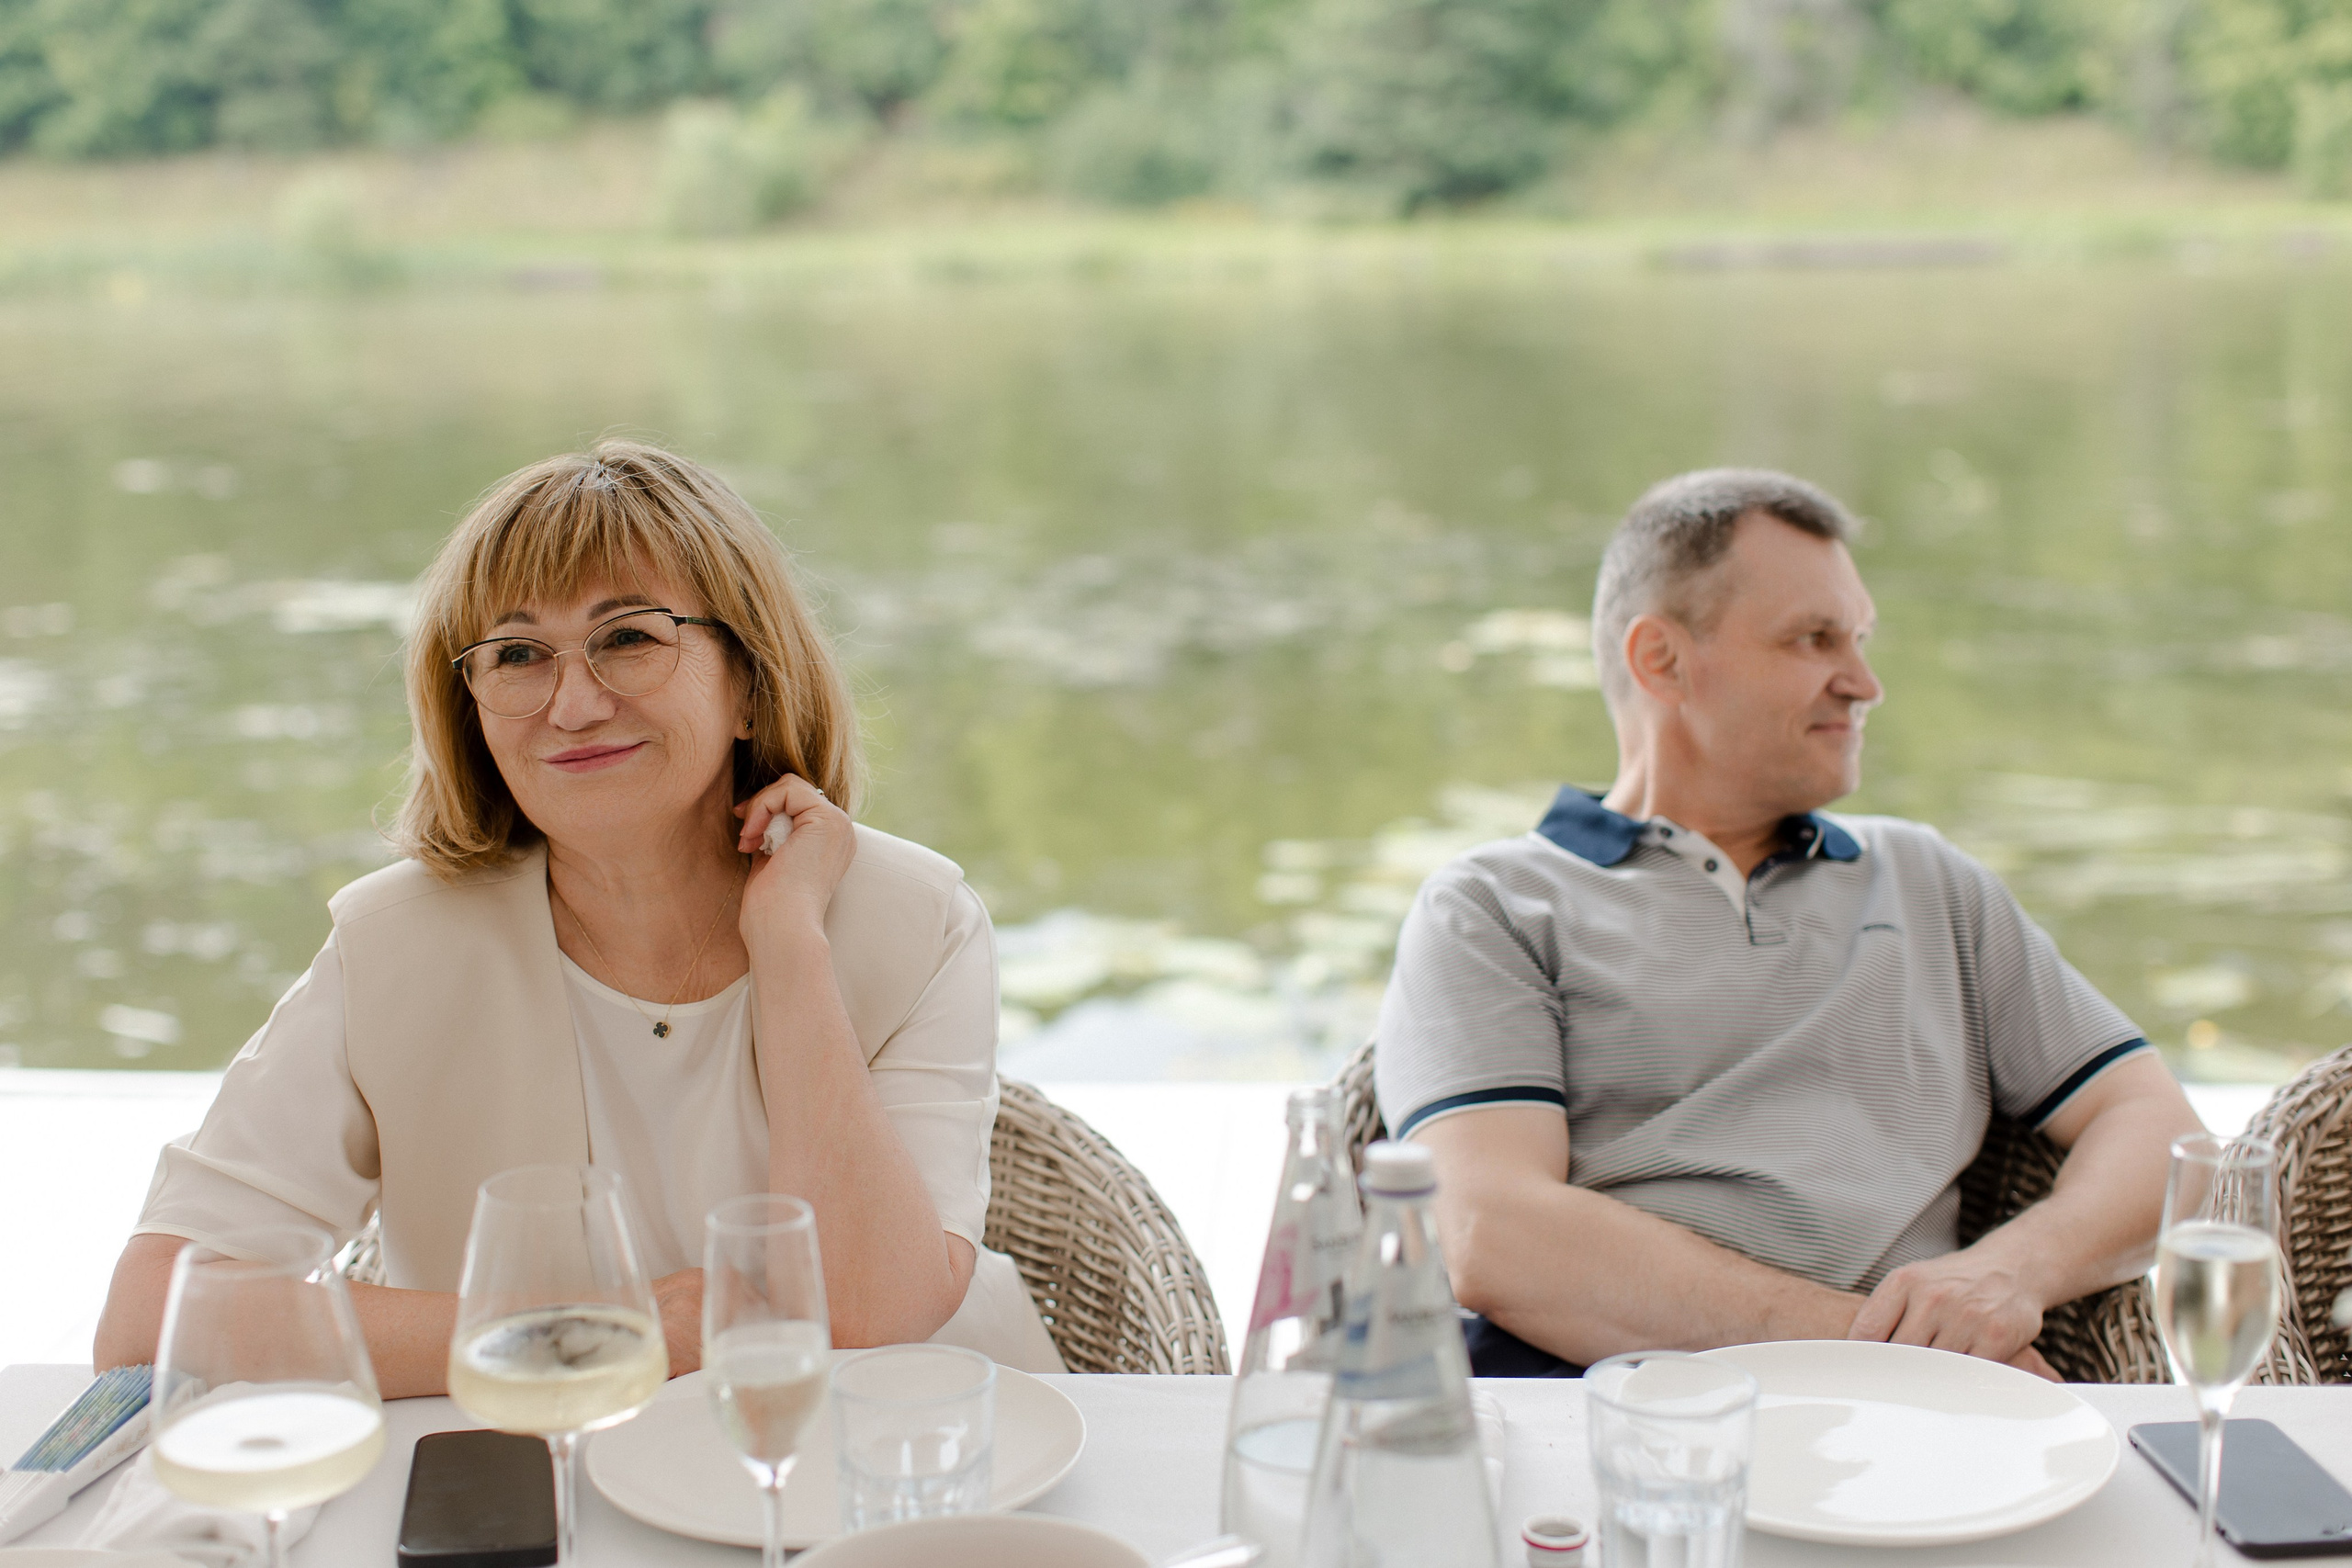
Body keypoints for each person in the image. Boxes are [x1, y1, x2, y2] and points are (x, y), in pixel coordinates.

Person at [94, 439, 1063, 1394]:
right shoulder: (392, 947)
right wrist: (623, 1327)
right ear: (469, 702)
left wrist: (788, 942)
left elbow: (867, 1316)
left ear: (750, 687)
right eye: (517, 654)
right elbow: (152, 1323)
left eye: (629, 638)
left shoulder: (918, 919)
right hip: (543, 1486)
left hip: (900, 1465)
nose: (572, 703)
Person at [1376, 468, 2202, 1379]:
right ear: (1662, 660)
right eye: (1814, 639)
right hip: (1596, 1410)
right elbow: (1491, 1231)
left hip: (1897, 1440)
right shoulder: (1492, 905)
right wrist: (1893, 1354)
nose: (1863, 684)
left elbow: (2162, 1132)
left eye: (1858, 639)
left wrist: (2000, 1278)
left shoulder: (1929, 881)